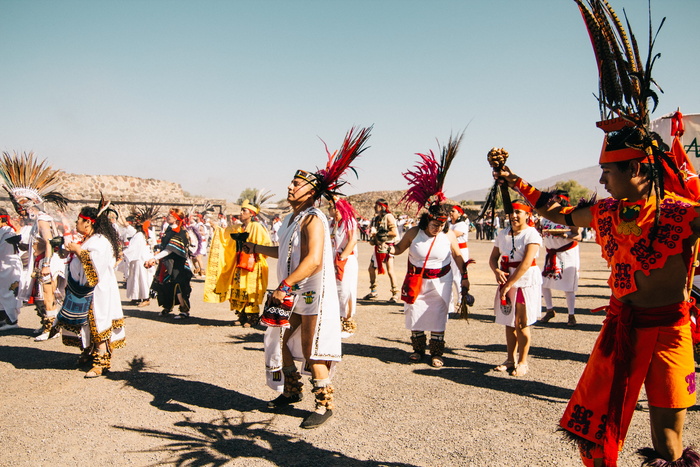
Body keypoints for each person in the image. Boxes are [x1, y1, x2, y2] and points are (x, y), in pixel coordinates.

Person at [246, 126, 371, 429]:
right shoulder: (292, 218)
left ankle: (324, 403)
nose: (290, 187)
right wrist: (256, 247)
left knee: (312, 347)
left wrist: (285, 284)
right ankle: (291, 392)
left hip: (312, 292)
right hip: (292, 294)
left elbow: (314, 261)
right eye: (290, 182)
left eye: (296, 184)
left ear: (312, 192)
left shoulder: (314, 218)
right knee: (281, 343)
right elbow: (286, 253)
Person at [394, 132, 469, 367]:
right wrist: (387, 246)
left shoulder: (447, 234)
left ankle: (437, 353)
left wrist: (464, 277)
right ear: (427, 220)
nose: (439, 227)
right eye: (436, 223)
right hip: (417, 280)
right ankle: (418, 350)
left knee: (438, 317)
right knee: (414, 313)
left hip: (441, 281)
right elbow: (398, 250)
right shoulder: (413, 233)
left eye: (443, 224)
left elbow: (457, 256)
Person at [0, 151, 67, 341]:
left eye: (22, 204)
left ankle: (51, 329)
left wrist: (45, 264)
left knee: (47, 296)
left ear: (32, 203)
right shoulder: (35, 221)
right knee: (40, 297)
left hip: (46, 262)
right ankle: (45, 325)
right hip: (38, 261)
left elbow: (47, 242)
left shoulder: (43, 218)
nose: (20, 209)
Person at [52, 204, 125, 378]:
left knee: (98, 321)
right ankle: (90, 351)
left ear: (88, 223)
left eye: (79, 220)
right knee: (85, 323)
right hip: (83, 289)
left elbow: (96, 267)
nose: (76, 222)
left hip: (97, 291)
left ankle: (101, 361)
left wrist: (78, 250)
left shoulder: (100, 241)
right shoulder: (89, 239)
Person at [488, 201, 542, 377]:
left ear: (528, 215)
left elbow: (526, 263)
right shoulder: (503, 233)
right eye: (511, 212)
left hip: (524, 281)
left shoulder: (531, 234)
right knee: (508, 321)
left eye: (518, 212)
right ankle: (510, 359)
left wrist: (510, 283)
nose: (514, 216)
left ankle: (522, 361)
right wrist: (496, 271)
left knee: (521, 322)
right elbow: (493, 258)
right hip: (507, 280)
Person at [204, 195, 272, 327]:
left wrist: (256, 252)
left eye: (244, 211)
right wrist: (216, 228)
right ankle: (241, 315)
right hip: (239, 262)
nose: (241, 213)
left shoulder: (256, 227)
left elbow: (266, 244)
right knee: (238, 287)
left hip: (253, 263)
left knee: (250, 289)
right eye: (241, 210)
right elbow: (225, 235)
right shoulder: (238, 227)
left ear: (251, 214)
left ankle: (252, 317)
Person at [538, 190, 581, 326]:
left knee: (568, 287)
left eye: (553, 199)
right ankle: (549, 310)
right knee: (544, 283)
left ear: (561, 200)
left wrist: (565, 236)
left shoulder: (570, 215)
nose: (550, 201)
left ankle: (571, 315)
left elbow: (578, 236)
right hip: (551, 254)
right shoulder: (545, 217)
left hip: (567, 254)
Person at [145, 208, 193, 319]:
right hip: (167, 262)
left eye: (170, 216)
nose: (167, 217)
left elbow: (170, 249)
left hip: (178, 263)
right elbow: (164, 247)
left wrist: (154, 258)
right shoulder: (168, 230)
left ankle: (184, 310)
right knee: (165, 285)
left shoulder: (182, 232)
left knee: (179, 285)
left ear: (176, 219)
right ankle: (167, 306)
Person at [328, 198, 359, 338]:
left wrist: (342, 258)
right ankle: (336, 319)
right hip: (334, 259)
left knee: (346, 289)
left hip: (346, 259)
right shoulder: (332, 223)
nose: (330, 210)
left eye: (331, 207)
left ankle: (347, 321)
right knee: (335, 290)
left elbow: (352, 240)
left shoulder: (349, 221)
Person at [363, 199, 399, 302]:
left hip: (387, 247)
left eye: (377, 205)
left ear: (382, 207)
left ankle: (395, 293)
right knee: (371, 269)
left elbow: (394, 232)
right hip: (377, 247)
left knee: (390, 270)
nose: (375, 207)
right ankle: (373, 290)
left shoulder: (389, 217)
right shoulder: (375, 219)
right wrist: (373, 236)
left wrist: (380, 233)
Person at [122, 206, 157, 307]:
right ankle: (135, 297)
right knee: (134, 279)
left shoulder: (139, 235)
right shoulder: (139, 234)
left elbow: (132, 248)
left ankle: (146, 298)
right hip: (136, 259)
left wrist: (123, 253)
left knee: (142, 279)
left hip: (140, 259)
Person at [0, 208, 22, 331]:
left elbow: (4, 252)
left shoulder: (8, 233)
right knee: (2, 295)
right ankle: (3, 318)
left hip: (9, 268)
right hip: (3, 267)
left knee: (9, 294)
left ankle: (12, 320)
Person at [448, 204, 470, 308]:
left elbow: (453, 234)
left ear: (459, 213)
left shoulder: (461, 224)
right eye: (450, 211)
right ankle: (450, 300)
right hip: (449, 251)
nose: (451, 213)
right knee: (449, 276)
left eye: (453, 211)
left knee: (457, 275)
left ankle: (461, 298)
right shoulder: (448, 224)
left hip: (460, 251)